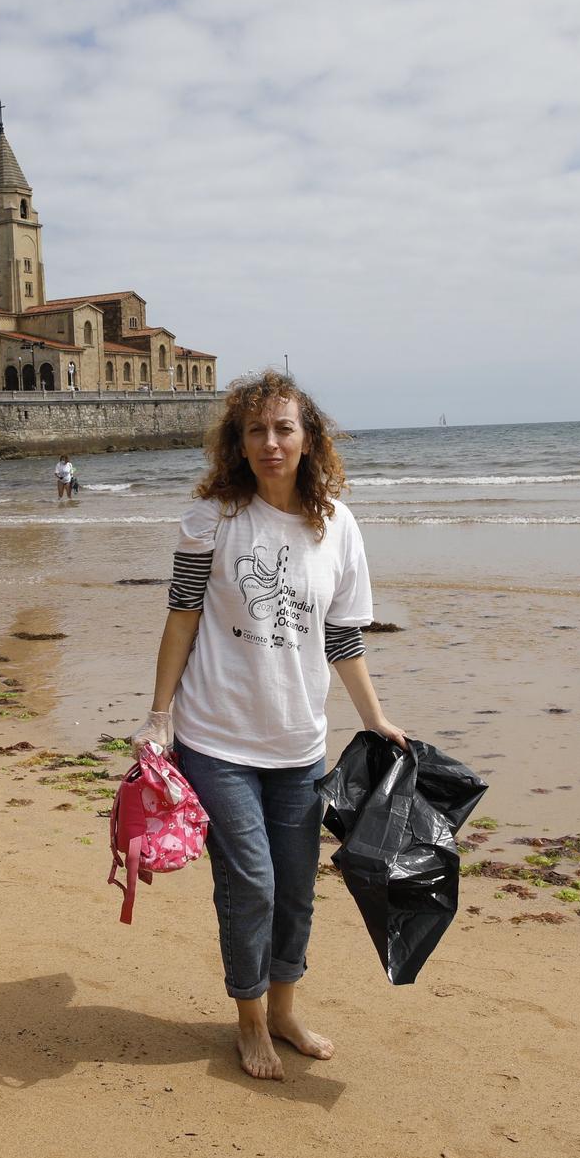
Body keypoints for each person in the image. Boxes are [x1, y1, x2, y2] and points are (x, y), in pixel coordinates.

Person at [133, 369, 403, 1081]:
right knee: (249, 880)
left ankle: (285, 1008)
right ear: (238, 441)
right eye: (256, 429)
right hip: (216, 737)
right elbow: (182, 615)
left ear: (308, 438)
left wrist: (374, 719)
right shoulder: (212, 517)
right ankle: (249, 1018)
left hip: (298, 744)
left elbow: (342, 637)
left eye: (284, 428)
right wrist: (159, 716)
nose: (271, 442)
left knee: (295, 884)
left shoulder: (337, 525)